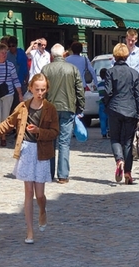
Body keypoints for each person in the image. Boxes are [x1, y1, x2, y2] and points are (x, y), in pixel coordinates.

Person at [0, 73, 59, 244]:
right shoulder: (23, 106)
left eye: (43, 89)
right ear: (30, 88)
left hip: (42, 152)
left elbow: (55, 132)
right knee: (28, 192)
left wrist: (39, 131)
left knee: (39, 194)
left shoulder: (50, 109)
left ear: (46, 90)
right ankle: (30, 231)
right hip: (26, 151)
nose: (40, 92)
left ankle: (42, 210)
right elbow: (8, 123)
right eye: (37, 89)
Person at [42, 42, 85, 183]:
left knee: (51, 141)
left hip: (50, 109)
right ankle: (63, 175)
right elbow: (80, 89)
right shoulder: (72, 69)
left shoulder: (46, 69)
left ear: (52, 56)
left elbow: (41, 90)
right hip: (68, 108)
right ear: (63, 55)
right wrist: (80, 107)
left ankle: (49, 173)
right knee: (64, 143)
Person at [105, 42, 139, 185]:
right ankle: (128, 173)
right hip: (130, 110)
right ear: (127, 56)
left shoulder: (110, 72)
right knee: (127, 142)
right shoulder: (134, 73)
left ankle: (119, 160)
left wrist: (106, 105)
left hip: (115, 109)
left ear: (115, 56)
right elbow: (138, 95)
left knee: (115, 138)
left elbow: (108, 92)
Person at [5, 35, 29, 101]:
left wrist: (27, 79)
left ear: (16, 45)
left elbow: (26, 68)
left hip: (21, 82)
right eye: (9, 46)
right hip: (9, 84)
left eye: (13, 46)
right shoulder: (6, 55)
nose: (11, 48)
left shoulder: (21, 53)